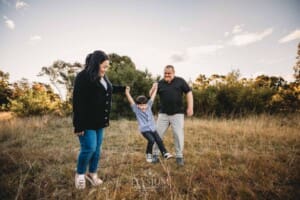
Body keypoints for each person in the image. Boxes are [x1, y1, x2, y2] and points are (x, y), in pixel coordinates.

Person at [72, 50, 125, 189]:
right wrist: (78, 125)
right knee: (89, 148)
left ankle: (92, 173)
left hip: (100, 121)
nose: (106, 69)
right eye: (104, 66)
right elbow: (77, 102)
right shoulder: (82, 77)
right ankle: (80, 174)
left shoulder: (103, 77)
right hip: (86, 121)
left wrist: (124, 89)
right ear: (96, 64)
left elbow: (109, 88)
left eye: (107, 66)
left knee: (97, 149)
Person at [150, 65, 193, 166]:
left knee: (178, 135)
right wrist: (153, 87)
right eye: (165, 73)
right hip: (163, 114)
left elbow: (189, 93)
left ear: (174, 73)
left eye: (169, 73)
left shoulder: (180, 81)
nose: (167, 75)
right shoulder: (160, 83)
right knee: (158, 134)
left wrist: (190, 107)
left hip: (177, 114)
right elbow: (151, 95)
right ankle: (155, 155)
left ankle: (179, 156)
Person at [125, 83, 173, 163]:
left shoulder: (149, 106)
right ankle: (148, 154)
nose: (143, 107)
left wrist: (156, 88)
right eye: (141, 106)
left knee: (159, 140)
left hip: (153, 128)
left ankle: (165, 153)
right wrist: (127, 93)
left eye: (144, 105)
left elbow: (153, 97)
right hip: (145, 130)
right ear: (137, 106)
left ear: (147, 104)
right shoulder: (136, 110)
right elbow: (131, 101)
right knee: (151, 140)